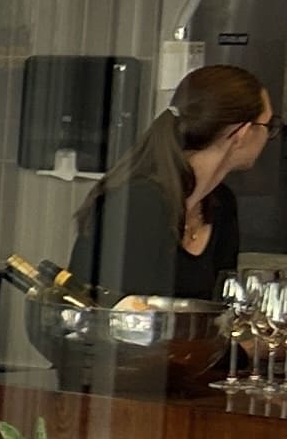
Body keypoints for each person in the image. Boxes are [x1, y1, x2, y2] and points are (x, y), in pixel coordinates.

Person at [68, 64, 275, 300]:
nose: (269, 136)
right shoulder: (141, 202)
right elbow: (125, 312)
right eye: (268, 125)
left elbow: (221, 306)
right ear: (242, 133)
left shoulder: (221, 204)